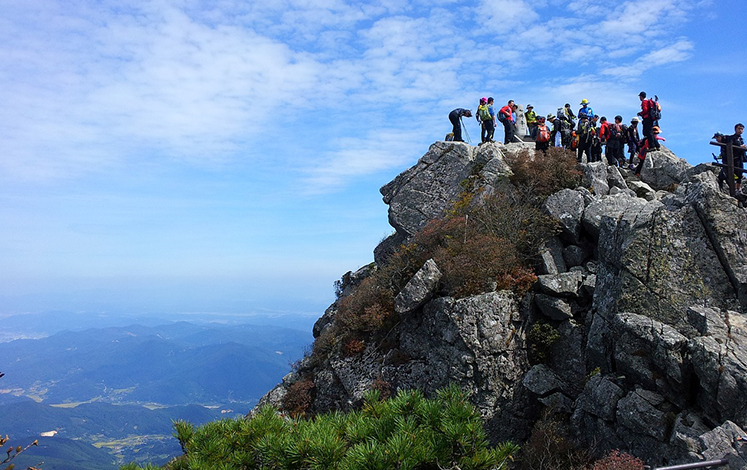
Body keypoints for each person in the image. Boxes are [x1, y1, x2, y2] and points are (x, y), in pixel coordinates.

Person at [716, 123, 747, 191]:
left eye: (742, 129)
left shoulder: (741, 140)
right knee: (730, 173)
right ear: (735, 129)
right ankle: (732, 189)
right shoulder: (731, 138)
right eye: (739, 128)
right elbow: (726, 143)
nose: (740, 130)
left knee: (739, 175)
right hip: (732, 159)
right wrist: (739, 147)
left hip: (740, 159)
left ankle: (737, 190)